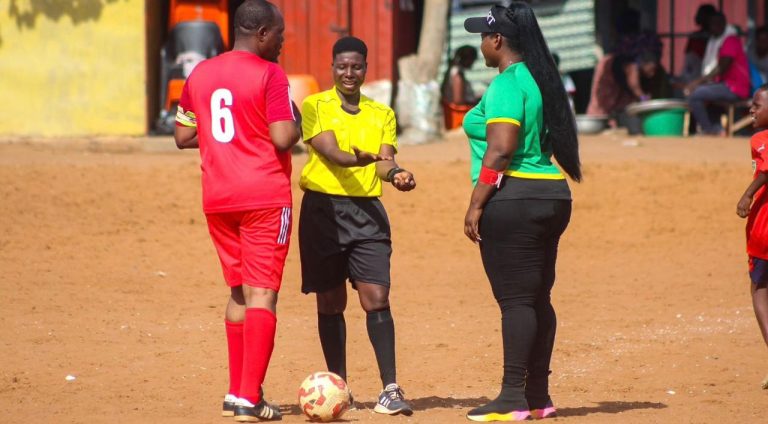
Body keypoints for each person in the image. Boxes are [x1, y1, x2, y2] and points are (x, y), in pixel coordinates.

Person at [174, 0, 301, 421]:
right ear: (262, 33)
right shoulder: (270, 74)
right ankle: (250, 399)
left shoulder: (201, 73)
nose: (282, 42)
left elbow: (183, 134)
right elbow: (283, 138)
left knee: (238, 292)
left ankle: (235, 393)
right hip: (264, 196)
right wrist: (293, 118)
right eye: (279, 34)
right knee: (262, 292)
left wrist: (224, 135)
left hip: (218, 197)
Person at [462, 2, 581, 421]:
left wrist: (476, 203)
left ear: (497, 40)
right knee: (537, 298)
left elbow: (501, 148)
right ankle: (538, 396)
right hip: (552, 194)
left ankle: (513, 396)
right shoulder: (540, 78)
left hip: (514, 200)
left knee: (515, 301)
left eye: (482, 37)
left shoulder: (507, 83)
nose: (480, 45)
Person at [298, 36, 416, 416]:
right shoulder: (315, 105)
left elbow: (383, 161)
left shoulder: (382, 113)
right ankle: (339, 386)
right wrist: (362, 160)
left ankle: (391, 388)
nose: (349, 73)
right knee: (331, 302)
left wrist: (395, 172)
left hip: (367, 214)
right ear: (332, 67)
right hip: (323, 212)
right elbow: (331, 152)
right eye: (342, 66)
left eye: (357, 66)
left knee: (376, 298)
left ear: (365, 68)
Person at [736, 83, 768, 390]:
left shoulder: (761, 139)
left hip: (764, 232)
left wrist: (747, 195)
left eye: (757, 106)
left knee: (760, 291)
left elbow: (767, 168)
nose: (751, 110)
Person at [685, 11, 750, 135]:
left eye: (715, 24)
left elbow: (722, 68)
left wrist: (697, 82)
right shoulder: (717, 40)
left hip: (735, 88)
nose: (712, 27)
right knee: (705, 96)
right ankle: (717, 130)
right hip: (726, 85)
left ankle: (709, 130)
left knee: (696, 94)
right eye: (711, 24)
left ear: (723, 24)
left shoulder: (730, 40)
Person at [679, 4, 718, 86]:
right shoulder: (695, 36)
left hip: (709, 73)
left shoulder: (716, 37)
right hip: (695, 73)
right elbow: (689, 60)